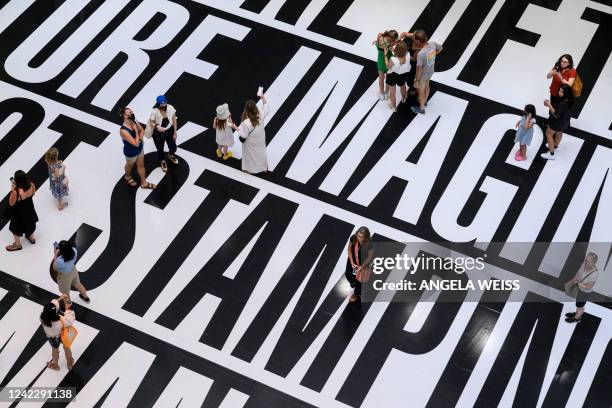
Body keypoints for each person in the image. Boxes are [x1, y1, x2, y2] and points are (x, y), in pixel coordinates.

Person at [119, 107, 156, 189]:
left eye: (132, 112)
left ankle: (144, 183)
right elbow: (135, 144)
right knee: (129, 166)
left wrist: (139, 139)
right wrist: (136, 130)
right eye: (129, 113)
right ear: (125, 116)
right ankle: (127, 176)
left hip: (140, 148)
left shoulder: (134, 120)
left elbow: (142, 130)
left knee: (141, 164)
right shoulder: (123, 131)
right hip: (131, 152)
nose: (132, 114)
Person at [410, 30, 443, 114]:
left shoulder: (421, 54)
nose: (413, 41)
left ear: (418, 41)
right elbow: (441, 48)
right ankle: (424, 101)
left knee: (421, 91)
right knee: (427, 85)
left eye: (414, 39)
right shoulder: (432, 44)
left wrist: (416, 80)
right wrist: (434, 54)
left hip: (423, 75)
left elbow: (419, 69)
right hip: (431, 71)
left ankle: (421, 109)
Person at [4, 170, 38, 251]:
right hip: (29, 208)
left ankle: (17, 244)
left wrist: (12, 190)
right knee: (30, 223)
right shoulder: (32, 185)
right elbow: (33, 193)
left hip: (19, 212)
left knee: (14, 228)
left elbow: (11, 203)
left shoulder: (16, 192)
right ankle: (31, 238)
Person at [40, 294, 75, 370]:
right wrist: (67, 308)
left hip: (52, 338)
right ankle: (70, 364)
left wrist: (59, 299)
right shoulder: (61, 321)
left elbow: (50, 308)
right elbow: (70, 320)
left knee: (55, 351)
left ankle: (56, 366)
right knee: (67, 348)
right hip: (63, 335)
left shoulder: (42, 317)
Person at [238, 94, 270, 174]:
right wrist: (262, 97)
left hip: (250, 143)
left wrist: (237, 129)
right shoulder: (260, 115)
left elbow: (243, 136)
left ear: (246, 110)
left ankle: (250, 169)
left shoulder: (246, 122)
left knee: (250, 156)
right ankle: (264, 168)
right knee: (261, 153)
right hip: (261, 139)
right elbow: (266, 107)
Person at [541, 84, 573, 160]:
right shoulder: (571, 101)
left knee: (549, 134)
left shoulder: (562, 103)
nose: (559, 93)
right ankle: (555, 146)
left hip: (556, 123)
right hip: (565, 122)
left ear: (566, 93)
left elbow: (556, 115)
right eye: (559, 90)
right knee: (559, 133)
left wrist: (549, 105)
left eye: (562, 92)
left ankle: (551, 154)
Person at [565, 252, 599, 323]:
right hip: (580, 290)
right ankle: (577, 313)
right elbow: (579, 272)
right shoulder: (584, 264)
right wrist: (575, 278)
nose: (585, 262)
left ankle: (577, 318)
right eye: (585, 260)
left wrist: (579, 284)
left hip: (585, 293)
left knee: (580, 306)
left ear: (594, 262)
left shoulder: (595, 274)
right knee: (578, 304)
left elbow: (589, 287)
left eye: (588, 261)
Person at [148, 95, 178, 173]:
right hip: (158, 133)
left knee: (173, 147)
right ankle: (162, 161)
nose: (163, 105)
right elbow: (151, 122)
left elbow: (174, 120)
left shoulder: (170, 108)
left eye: (164, 103)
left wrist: (175, 132)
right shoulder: (154, 111)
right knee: (160, 148)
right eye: (161, 104)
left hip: (169, 130)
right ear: (158, 104)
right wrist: (157, 127)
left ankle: (170, 155)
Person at [344, 227, 374, 303]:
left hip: (363, 263)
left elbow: (370, 257)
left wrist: (362, 267)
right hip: (353, 260)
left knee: (359, 280)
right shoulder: (353, 238)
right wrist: (351, 262)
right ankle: (353, 282)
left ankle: (356, 294)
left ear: (366, 237)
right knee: (348, 274)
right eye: (358, 235)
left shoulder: (369, 244)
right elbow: (349, 250)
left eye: (361, 237)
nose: (358, 238)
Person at [384, 41, 410, 112]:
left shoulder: (393, 59)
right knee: (403, 86)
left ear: (396, 50)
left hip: (392, 75)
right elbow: (400, 55)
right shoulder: (408, 54)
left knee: (392, 92)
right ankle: (404, 98)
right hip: (403, 74)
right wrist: (394, 51)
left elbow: (387, 66)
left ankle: (394, 107)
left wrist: (385, 55)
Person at [372, 30, 398, 100]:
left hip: (384, 63)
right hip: (385, 63)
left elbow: (379, 36)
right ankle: (384, 93)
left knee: (384, 79)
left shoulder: (381, 38)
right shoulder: (391, 43)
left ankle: (384, 93)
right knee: (384, 79)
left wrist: (376, 41)